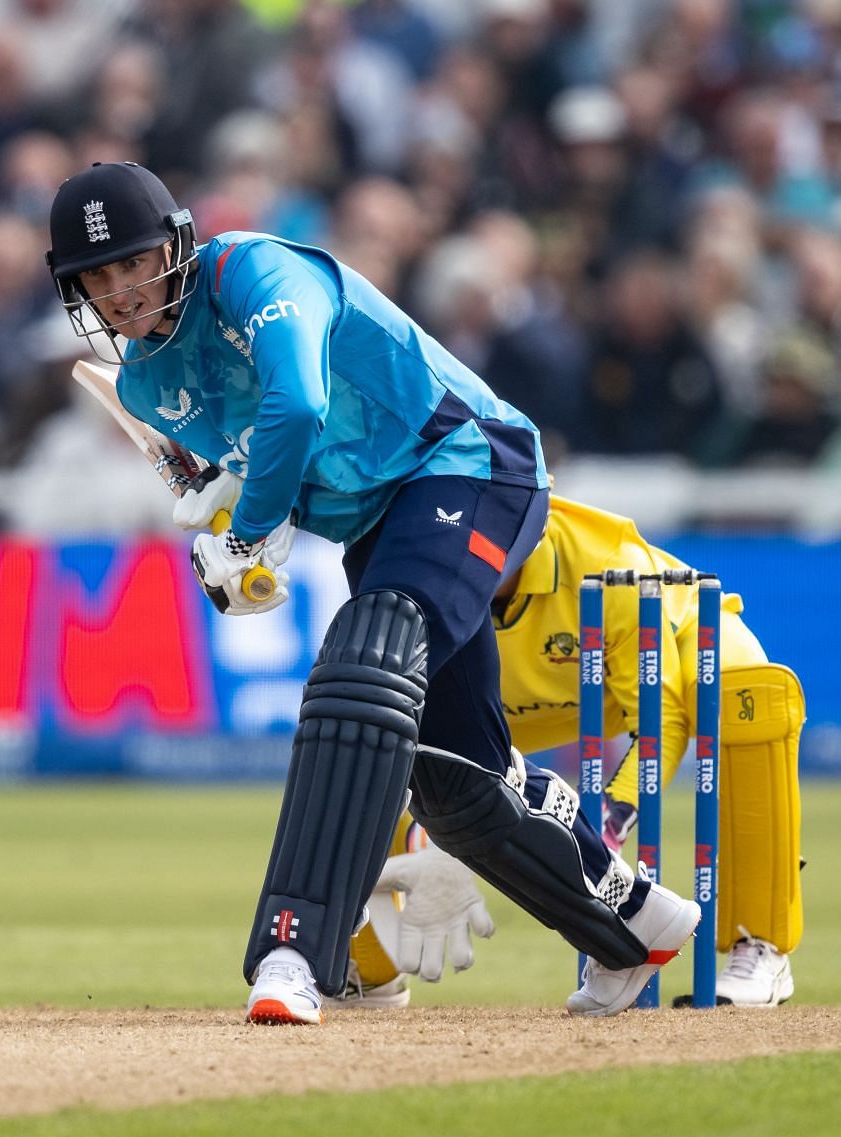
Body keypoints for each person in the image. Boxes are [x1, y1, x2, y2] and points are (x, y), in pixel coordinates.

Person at [45, 161, 700, 1024]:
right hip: (382, 521)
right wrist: (237, 538)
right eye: (99, 276)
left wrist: (246, 531)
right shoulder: (144, 387)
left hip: (470, 459)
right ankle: (635, 923)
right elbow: (279, 470)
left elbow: (299, 405)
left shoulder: (254, 273)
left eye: (134, 262)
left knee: (363, 659)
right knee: (455, 780)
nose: (122, 289)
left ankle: (292, 948)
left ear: (177, 244)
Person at [323, 495, 806, 1011]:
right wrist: (439, 841)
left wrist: (609, 823)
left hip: (671, 651)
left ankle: (761, 948)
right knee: (362, 748)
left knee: (747, 694)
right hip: (509, 702)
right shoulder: (421, 565)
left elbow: (660, 727)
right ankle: (370, 972)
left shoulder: (608, 564)